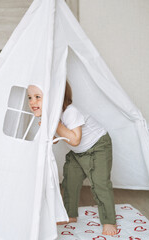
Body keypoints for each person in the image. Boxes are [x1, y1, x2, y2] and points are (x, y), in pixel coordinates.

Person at [57, 81, 117, 235]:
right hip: (78, 152)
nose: (34, 102)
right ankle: (70, 214)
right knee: (70, 180)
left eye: (39, 98)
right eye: (31, 99)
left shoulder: (70, 112)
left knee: (100, 183)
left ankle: (109, 220)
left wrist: (56, 125)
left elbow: (75, 139)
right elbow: (58, 137)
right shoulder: (54, 117)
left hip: (97, 147)